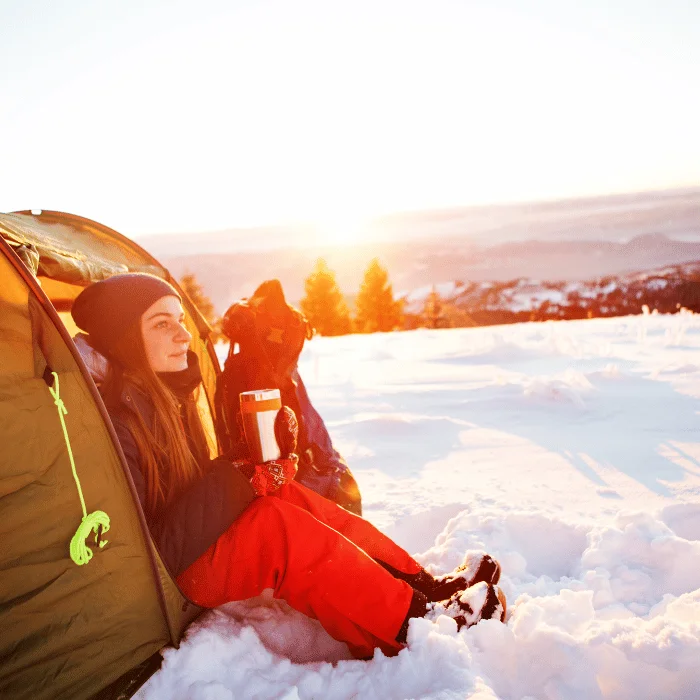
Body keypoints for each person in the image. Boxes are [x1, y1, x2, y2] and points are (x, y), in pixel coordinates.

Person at [70, 273, 507, 659]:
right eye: (162, 324)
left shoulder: (165, 395)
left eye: (181, 320)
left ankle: (421, 586)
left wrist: (252, 468)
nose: (183, 336)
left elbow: (189, 490)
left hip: (191, 544)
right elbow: (154, 549)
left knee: (286, 494)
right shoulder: (115, 423)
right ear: (126, 338)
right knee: (275, 528)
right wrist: (238, 479)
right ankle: (415, 624)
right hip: (168, 577)